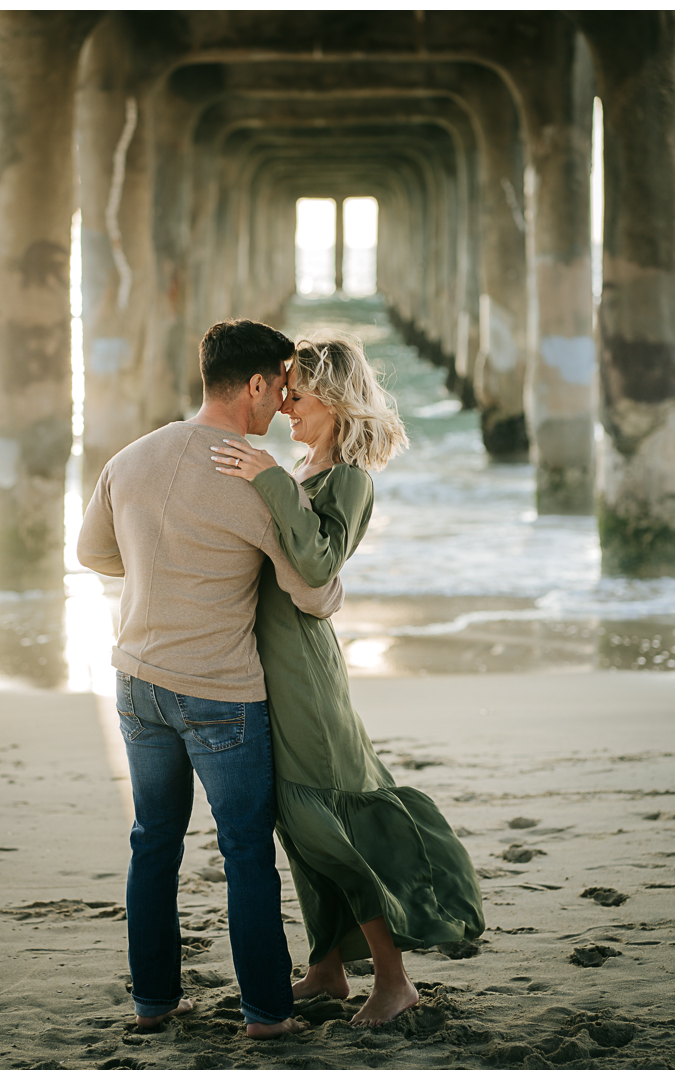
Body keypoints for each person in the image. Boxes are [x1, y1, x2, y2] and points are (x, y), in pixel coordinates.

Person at [77, 319, 345, 1039]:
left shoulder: (131, 457)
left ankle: (154, 1003)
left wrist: (165, 578)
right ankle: (266, 1014)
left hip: (135, 682)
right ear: (255, 384)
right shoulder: (252, 476)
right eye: (281, 386)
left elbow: (93, 552)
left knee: (152, 842)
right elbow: (312, 593)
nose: (282, 402)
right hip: (221, 694)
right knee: (246, 850)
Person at [210, 331, 486, 1028]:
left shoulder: (348, 479)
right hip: (270, 663)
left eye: (297, 397)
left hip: (304, 671)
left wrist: (266, 476)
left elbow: (317, 562)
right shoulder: (306, 466)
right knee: (296, 827)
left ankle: (393, 982)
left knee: (326, 821)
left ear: (332, 400)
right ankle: (327, 969)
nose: (286, 409)